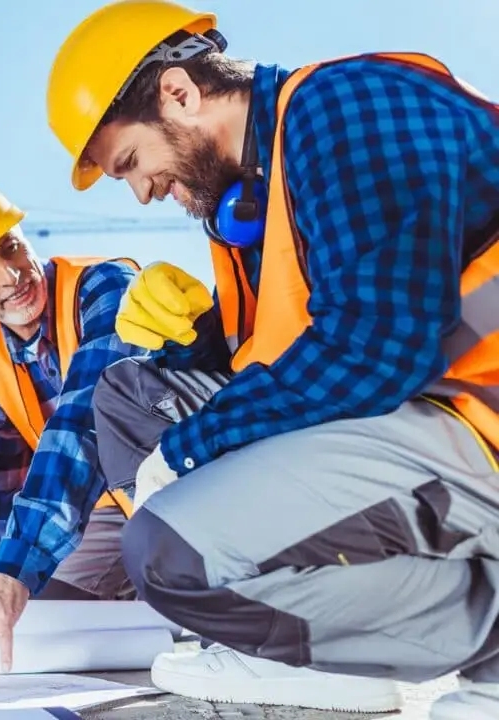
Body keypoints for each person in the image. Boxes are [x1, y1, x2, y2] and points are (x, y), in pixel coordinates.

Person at [44, 0, 499, 716]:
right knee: (134, 397)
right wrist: (195, 344)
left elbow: (375, 342)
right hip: (412, 408)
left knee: (167, 554)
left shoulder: (344, 107)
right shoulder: (252, 197)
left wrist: (193, 449)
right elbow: (279, 361)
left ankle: (481, 631)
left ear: (179, 93)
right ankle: (303, 646)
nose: (141, 192)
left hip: (475, 420)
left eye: (131, 162)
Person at [0, 179, 147, 683]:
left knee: (30, 594)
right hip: (100, 518)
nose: (13, 273)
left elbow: (80, 422)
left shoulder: (105, 287)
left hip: (169, 490)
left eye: (12, 247)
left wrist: (13, 574)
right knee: (32, 624)